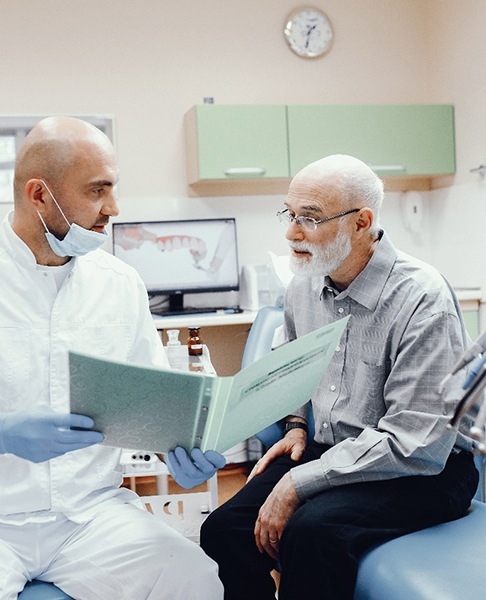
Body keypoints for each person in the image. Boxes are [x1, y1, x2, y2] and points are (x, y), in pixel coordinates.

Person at [200, 154, 479, 600]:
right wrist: (296, 425)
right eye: (289, 214)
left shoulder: (422, 298)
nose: (291, 232)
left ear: (361, 222)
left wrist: (298, 482)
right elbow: (291, 365)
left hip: (426, 470)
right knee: (223, 531)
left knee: (311, 535)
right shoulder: (304, 285)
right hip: (334, 450)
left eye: (308, 219)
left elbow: (417, 444)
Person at [0, 116, 224, 599]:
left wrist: (178, 451)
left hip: (89, 515)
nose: (114, 208)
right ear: (39, 195)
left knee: (195, 579)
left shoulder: (119, 283)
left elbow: (154, 399)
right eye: (98, 191)